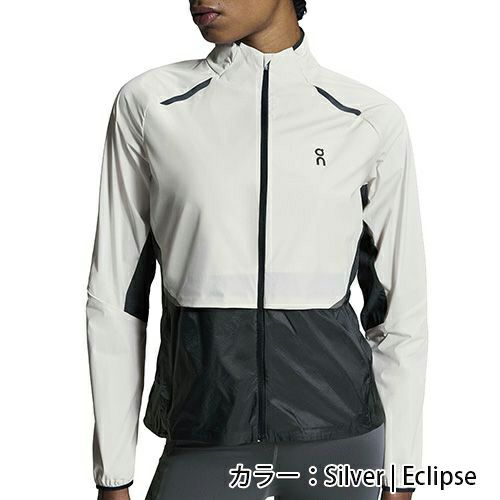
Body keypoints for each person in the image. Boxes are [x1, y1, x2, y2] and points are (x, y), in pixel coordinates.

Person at [85, 1, 428, 499]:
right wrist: (113, 472)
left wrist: (401, 472)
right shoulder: (151, 105)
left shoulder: (367, 118)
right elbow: (115, 297)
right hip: (205, 427)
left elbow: (400, 311)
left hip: (339, 435)